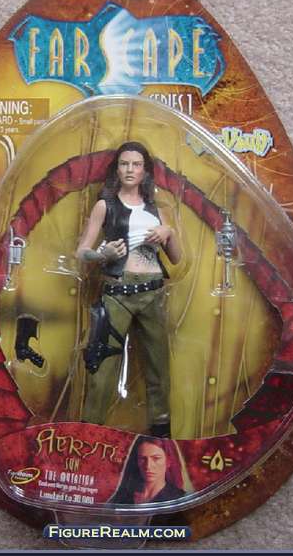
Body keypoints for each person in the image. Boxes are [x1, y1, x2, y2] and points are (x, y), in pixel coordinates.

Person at [76, 141, 181, 437]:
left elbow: (176, 258)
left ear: (145, 171)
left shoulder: (157, 210)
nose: (130, 169)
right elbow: (82, 251)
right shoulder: (105, 206)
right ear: (117, 169)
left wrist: (168, 232)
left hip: (152, 293)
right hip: (117, 293)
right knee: (102, 363)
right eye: (124, 164)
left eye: (136, 164)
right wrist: (102, 254)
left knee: (158, 366)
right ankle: (89, 432)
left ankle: (161, 432)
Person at [110, 436, 186, 504]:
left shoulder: (179, 498)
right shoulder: (122, 496)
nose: (148, 466)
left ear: (169, 461)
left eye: (156, 458)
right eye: (142, 459)